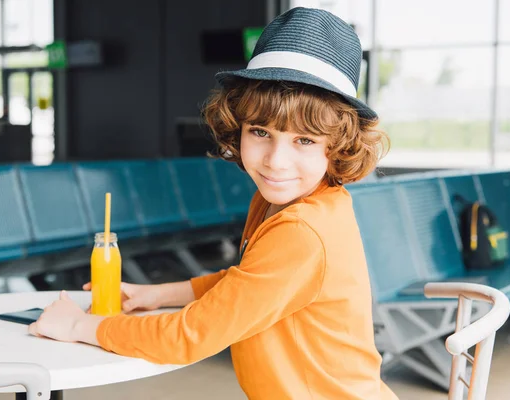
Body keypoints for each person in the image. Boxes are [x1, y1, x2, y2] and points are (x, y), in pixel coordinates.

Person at [28, 7, 397, 399]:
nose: (276, 160)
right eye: (261, 132)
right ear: (238, 129)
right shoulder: (296, 201)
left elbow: (189, 336)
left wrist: (78, 328)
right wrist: (157, 294)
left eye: (304, 140)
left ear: (337, 146)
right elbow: (245, 283)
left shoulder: (302, 231)